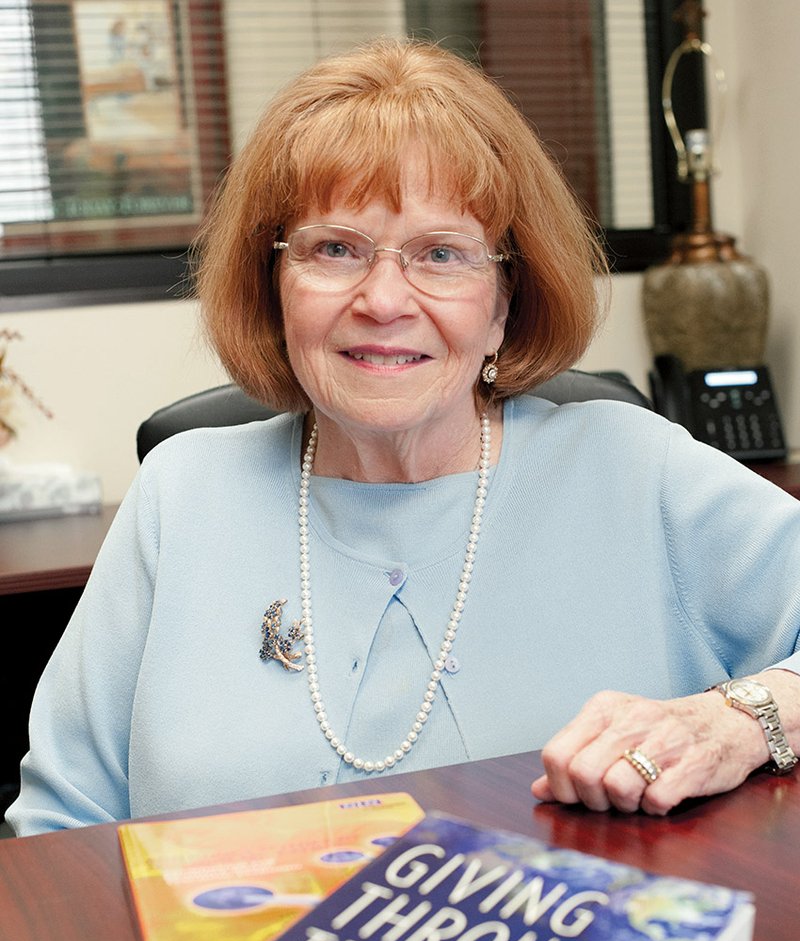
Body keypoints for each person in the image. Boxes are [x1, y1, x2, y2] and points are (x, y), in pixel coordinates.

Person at [8, 38, 800, 838]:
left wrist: (738, 722)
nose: (383, 299)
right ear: (272, 282)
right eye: (335, 248)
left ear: (501, 306)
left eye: (442, 254)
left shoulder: (635, 470)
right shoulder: (180, 495)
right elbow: (58, 819)